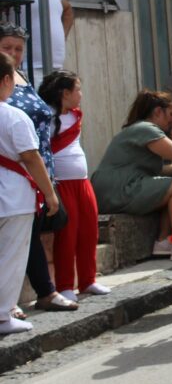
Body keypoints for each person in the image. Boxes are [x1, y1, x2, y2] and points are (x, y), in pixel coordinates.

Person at [0, 22, 77, 312]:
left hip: (38, 163)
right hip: (17, 166)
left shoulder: (22, 77)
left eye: (19, 49)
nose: (14, 53)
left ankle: (38, 292)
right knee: (17, 238)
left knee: (30, 235)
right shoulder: (4, 86)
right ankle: (19, 299)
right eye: (7, 47)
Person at [0, 51, 60, 334]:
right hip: (14, 197)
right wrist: (50, 194)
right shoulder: (14, 116)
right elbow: (31, 157)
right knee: (12, 257)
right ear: (6, 80)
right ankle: (3, 314)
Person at [38, 70, 109, 302]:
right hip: (62, 183)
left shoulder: (77, 114)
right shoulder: (47, 117)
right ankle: (65, 284)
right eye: (77, 89)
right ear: (65, 93)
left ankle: (88, 280)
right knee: (67, 235)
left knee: (89, 230)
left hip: (82, 182)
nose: (81, 94)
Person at [90, 90, 172, 257]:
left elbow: (164, 169)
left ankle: (163, 242)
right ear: (158, 112)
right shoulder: (147, 129)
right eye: (171, 114)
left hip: (110, 191)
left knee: (168, 185)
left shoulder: (138, 129)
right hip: (118, 190)